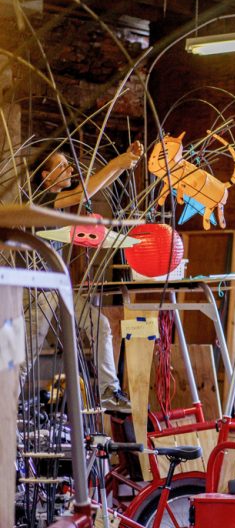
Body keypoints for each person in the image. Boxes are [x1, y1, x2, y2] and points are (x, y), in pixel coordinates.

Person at [27, 143, 143, 412]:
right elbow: (84, 192)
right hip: (36, 291)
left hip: (54, 288)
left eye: (69, 164)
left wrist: (123, 163)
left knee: (100, 324)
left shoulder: (55, 200)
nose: (69, 169)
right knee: (25, 360)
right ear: (46, 176)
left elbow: (91, 188)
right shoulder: (40, 197)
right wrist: (117, 163)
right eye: (62, 165)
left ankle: (107, 391)